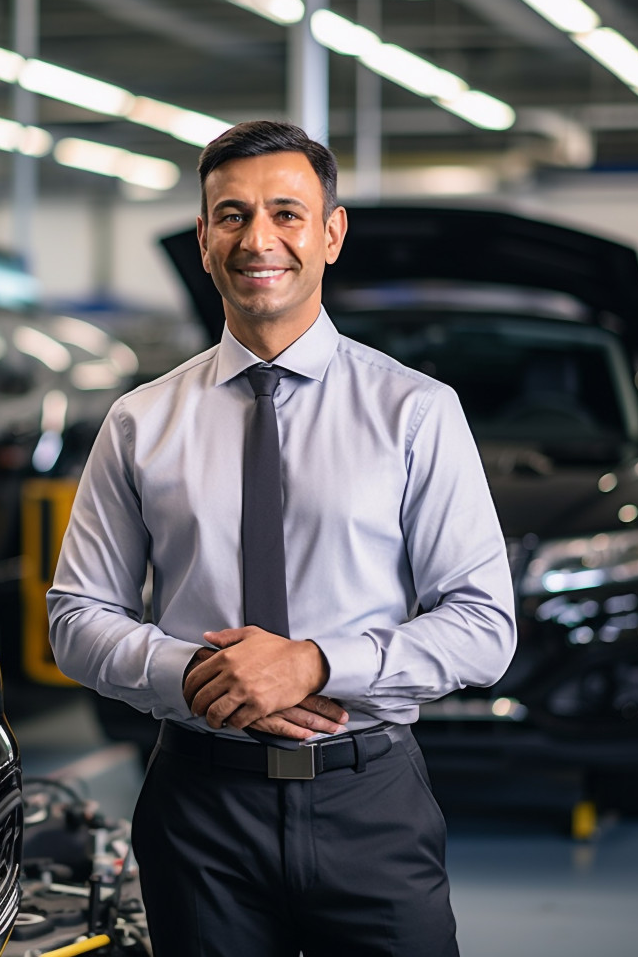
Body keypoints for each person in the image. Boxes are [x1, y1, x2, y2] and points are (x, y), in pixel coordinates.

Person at [48, 119, 517, 957]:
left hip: (369, 800)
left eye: (286, 213)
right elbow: (76, 618)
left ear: (331, 233)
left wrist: (316, 664)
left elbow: (484, 626)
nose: (257, 239)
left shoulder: (415, 412)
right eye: (232, 215)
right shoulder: (140, 422)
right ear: (204, 239)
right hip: (200, 813)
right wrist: (197, 675)